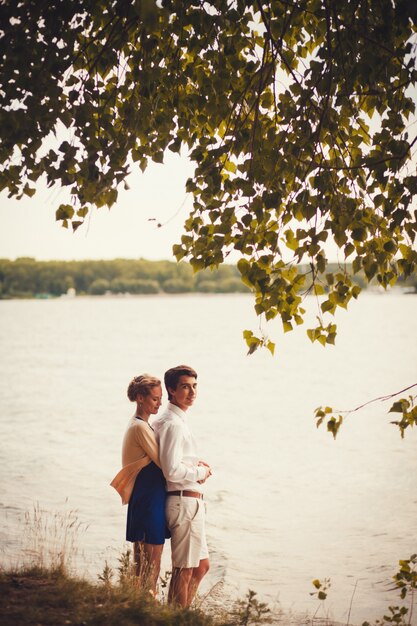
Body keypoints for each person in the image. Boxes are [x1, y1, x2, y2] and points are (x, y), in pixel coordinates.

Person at [153, 365, 212, 607]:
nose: (191, 392)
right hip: (183, 502)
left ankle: (180, 614)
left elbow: (176, 460)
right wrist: (201, 472)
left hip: (189, 501)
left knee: (201, 567)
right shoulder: (172, 423)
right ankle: (175, 618)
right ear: (171, 390)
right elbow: (171, 470)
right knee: (184, 571)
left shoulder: (177, 420)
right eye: (185, 387)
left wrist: (196, 463)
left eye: (194, 386)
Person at [110, 374, 168, 595]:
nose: (160, 403)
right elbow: (163, 463)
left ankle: (139, 603)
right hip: (147, 498)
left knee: (144, 561)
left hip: (147, 497)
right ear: (141, 398)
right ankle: (145, 605)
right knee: (150, 561)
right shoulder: (140, 428)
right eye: (155, 399)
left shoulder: (140, 424)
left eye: (160, 398)